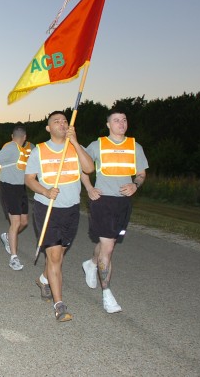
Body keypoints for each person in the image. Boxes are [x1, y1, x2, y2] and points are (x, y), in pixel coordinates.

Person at [25, 111, 94, 322]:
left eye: (65, 121)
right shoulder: (40, 150)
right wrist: (45, 191)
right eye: (57, 121)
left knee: (59, 255)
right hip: (47, 208)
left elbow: (89, 168)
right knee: (55, 257)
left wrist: (75, 141)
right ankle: (59, 305)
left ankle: (44, 278)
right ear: (48, 128)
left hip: (71, 210)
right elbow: (29, 179)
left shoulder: (74, 147)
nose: (62, 124)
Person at [80, 110, 148, 313]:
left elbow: (142, 174)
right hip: (103, 201)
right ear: (108, 125)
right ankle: (107, 293)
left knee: (107, 245)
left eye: (124, 120)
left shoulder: (135, 146)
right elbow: (83, 168)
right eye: (116, 120)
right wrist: (89, 188)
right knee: (108, 248)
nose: (121, 123)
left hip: (124, 203)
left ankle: (91, 263)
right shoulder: (97, 145)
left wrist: (135, 185)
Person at [0, 126, 30, 271]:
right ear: (24, 137)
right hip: (9, 188)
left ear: (12, 135)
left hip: (21, 188)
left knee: (24, 222)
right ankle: (14, 258)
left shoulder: (23, 151)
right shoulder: (11, 147)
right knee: (16, 222)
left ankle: (7, 236)